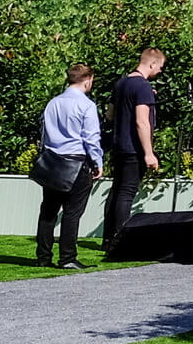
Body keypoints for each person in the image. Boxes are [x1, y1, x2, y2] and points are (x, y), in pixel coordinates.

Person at [33, 64, 104, 269]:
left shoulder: (53, 103)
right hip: (77, 161)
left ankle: (43, 257)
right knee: (72, 212)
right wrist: (98, 161)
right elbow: (91, 138)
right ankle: (67, 258)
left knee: (48, 211)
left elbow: (43, 132)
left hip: (53, 161)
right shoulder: (86, 105)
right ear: (88, 80)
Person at [100, 48, 164, 253]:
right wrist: (149, 153)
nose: (159, 71)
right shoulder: (143, 86)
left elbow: (110, 114)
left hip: (118, 145)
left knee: (116, 190)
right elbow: (141, 122)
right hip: (133, 148)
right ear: (152, 64)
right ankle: (119, 240)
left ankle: (108, 238)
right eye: (160, 67)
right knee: (126, 193)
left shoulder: (122, 83)